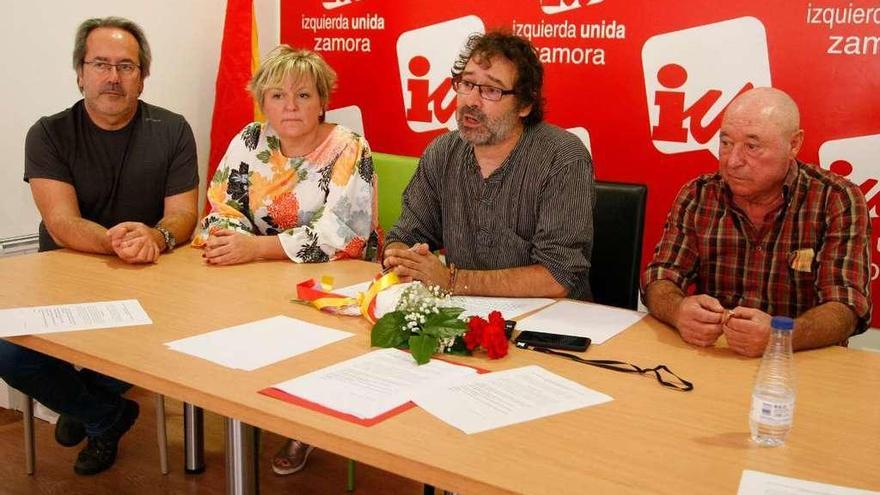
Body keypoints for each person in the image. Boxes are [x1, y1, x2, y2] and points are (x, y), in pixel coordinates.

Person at [0, 16, 199, 475]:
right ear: (80, 73)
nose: (113, 77)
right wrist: (114, 241)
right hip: (63, 283)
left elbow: (184, 215)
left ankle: (85, 407)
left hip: (150, 283)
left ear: (143, 77)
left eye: (126, 66)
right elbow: (61, 221)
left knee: (169, 341)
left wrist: (156, 235)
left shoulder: (172, 130)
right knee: (7, 350)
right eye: (101, 64)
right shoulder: (48, 132)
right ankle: (105, 415)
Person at [191, 45, 379, 475]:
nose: (289, 106)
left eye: (303, 95)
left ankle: (303, 427)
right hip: (257, 276)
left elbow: (344, 235)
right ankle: (249, 404)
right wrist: (231, 243)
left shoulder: (348, 146)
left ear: (323, 101)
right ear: (263, 101)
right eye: (277, 96)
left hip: (331, 283)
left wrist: (256, 249)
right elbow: (222, 209)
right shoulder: (249, 141)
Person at [642, 87, 871, 357]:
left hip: (800, 362)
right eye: (726, 143)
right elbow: (660, 277)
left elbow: (846, 308)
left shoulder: (836, 199)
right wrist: (678, 311)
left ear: (794, 144)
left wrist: (782, 335)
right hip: (716, 354)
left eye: (752, 146)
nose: (733, 161)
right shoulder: (699, 194)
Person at [383, 31, 594, 300]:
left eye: (491, 90)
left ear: (525, 104)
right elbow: (405, 234)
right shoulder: (442, 152)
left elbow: (557, 277)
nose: (471, 101)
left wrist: (451, 279)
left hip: (549, 323)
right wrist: (403, 260)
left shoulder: (562, 158)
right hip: (462, 315)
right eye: (467, 84)